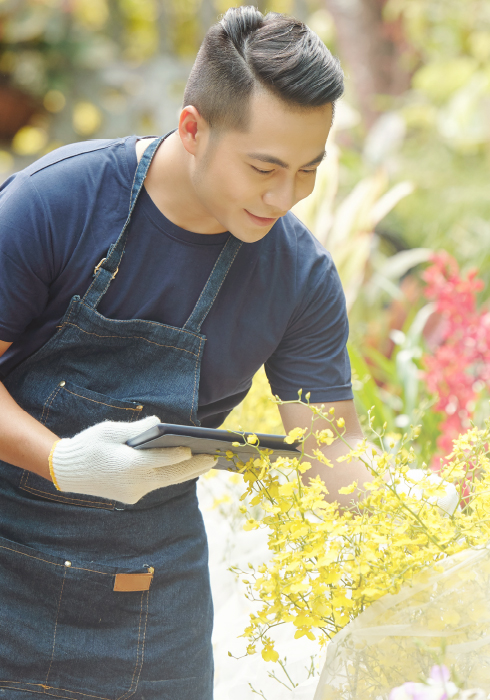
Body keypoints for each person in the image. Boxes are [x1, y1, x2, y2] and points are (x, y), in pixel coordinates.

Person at [0, 6, 372, 699]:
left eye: (307, 171)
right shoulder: (56, 203)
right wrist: (63, 461)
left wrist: (404, 517)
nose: (284, 196)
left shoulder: (298, 276)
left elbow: (332, 447)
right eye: (264, 167)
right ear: (193, 129)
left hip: (153, 605)